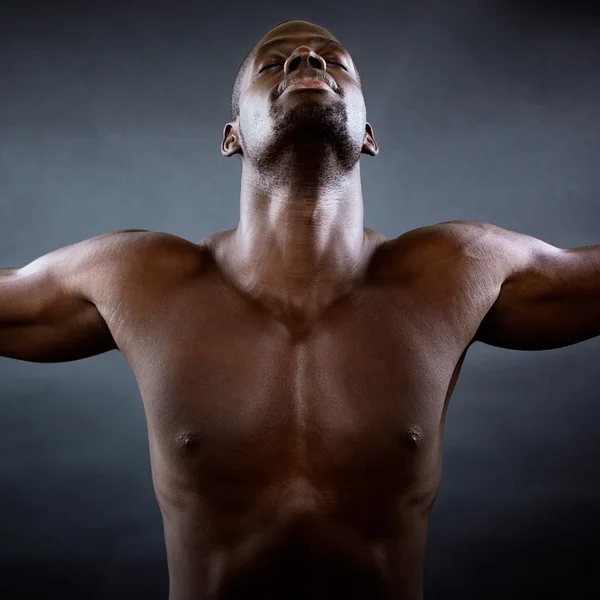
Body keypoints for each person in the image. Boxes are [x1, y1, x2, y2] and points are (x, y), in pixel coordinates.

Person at [0, 17, 598, 600]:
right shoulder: (138, 281)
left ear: (369, 134)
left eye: (333, 60)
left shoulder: (456, 272)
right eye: (273, 62)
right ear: (232, 135)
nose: (306, 61)